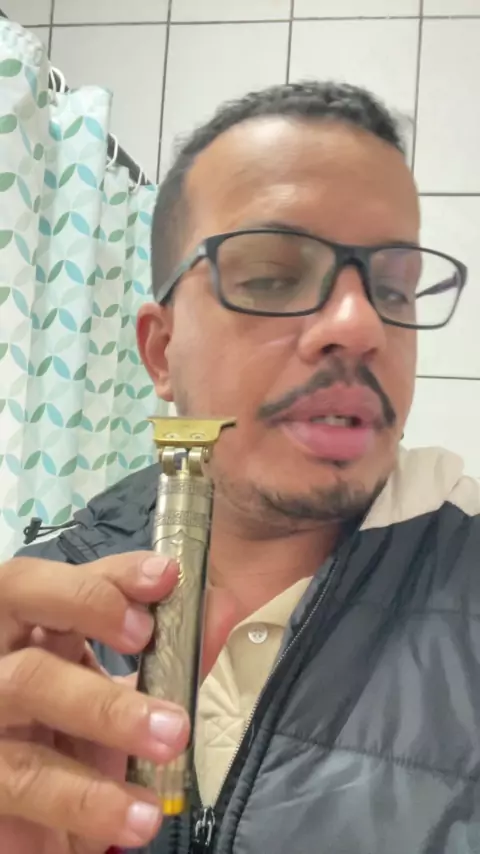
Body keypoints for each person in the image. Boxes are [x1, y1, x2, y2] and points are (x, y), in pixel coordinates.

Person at [0, 79, 478, 854]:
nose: (361, 325)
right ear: (161, 351)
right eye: (273, 277)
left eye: (394, 290)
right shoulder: (40, 610)